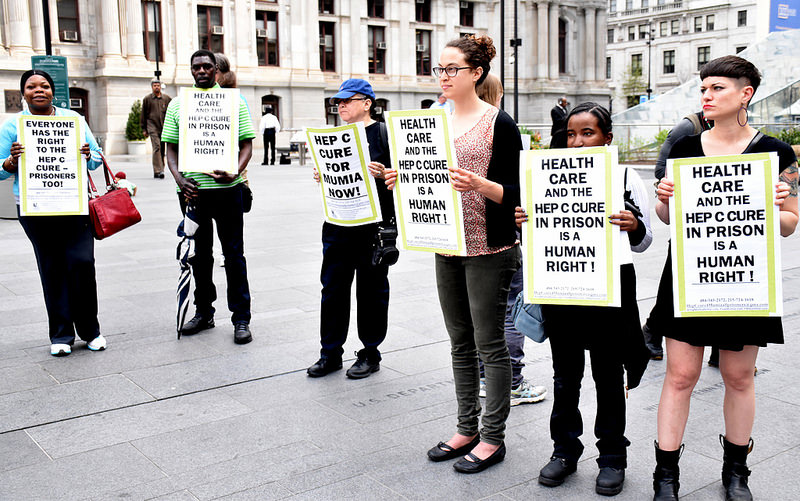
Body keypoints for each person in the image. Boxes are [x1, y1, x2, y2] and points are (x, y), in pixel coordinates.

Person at [651, 55, 797, 501]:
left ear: (745, 93)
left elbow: (791, 223)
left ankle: (737, 471)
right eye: (704, 89)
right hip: (690, 274)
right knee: (679, 375)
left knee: (738, 376)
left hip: (745, 278)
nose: (707, 96)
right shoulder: (685, 148)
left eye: (717, 88)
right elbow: (668, 218)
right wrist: (663, 199)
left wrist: (781, 202)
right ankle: (666, 476)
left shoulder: (774, 152)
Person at [386, 34, 521, 474]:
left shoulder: (500, 123)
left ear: (476, 73)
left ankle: (493, 436)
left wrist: (481, 185)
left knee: (490, 344)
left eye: (452, 69)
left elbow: (519, 193)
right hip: (445, 243)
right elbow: (424, 175)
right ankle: (466, 427)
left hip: (489, 247)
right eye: (439, 69)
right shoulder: (431, 118)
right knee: (460, 342)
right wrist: (398, 176)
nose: (443, 77)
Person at [517, 103, 652, 496]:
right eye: (572, 134)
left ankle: (612, 456)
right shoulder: (546, 177)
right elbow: (539, 239)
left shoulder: (625, 176)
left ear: (607, 138)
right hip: (563, 287)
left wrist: (635, 224)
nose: (578, 142)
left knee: (608, 376)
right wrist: (525, 223)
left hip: (610, 289)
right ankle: (564, 450)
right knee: (565, 375)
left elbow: (644, 243)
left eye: (588, 133)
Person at [0, 69, 106, 357]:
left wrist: (88, 154)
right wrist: (11, 160)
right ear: (23, 93)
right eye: (32, 86)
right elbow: (0, 169)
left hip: (74, 205)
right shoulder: (14, 126)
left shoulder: (74, 120)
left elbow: (97, 159)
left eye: (44, 86)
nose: (39, 90)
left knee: (82, 263)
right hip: (35, 208)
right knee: (52, 268)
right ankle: (61, 335)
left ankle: (90, 330)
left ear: (53, 91)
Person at [161, 49, 256, 345]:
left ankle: (241, 318)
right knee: (199, 256)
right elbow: (171, 150)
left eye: (206, 66)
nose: (201, 71)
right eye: (196, 67)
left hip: (228, 191)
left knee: (234, 255)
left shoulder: (234, 102)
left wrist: (235, 173)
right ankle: (204, 312)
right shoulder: (178, 105)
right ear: (191, 71)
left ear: (216, 69)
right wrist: (179, 179)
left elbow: (246, 145)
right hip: (193, 193)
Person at [306, 79, 395, 379]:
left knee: (371, 292)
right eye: (338, 102)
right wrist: (322, 174)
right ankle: (330, 353)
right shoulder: (334, 136)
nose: (341, 105)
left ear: (367, 103)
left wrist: (385, 173)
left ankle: (370, 352)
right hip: (337, 225)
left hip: (372, 228)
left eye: (348, 100)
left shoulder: (385, 135)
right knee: (332, 290)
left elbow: (405, 179)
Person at [476, 72, 548, 407]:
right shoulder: (503, 125)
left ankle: (482, 375)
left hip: (474, 234)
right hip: (503, 233)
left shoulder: (463, 130)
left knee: (483, 311)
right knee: (511, 307)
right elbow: (518, 185)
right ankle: (512, 380)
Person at [643, 111, 712, 360]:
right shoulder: (688, 128)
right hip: (691, 221)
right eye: (706, 89)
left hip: (722, 225)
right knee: (674, 284)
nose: (709, 96)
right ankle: (651, 329)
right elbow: (662, 168)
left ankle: (721, 346)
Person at [140, 79, 171, 179]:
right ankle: (158, 170)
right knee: (156, 147)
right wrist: (144, 129)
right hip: (152, 126)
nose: (156, 87)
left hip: (164, 127)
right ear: (152, 87)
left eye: (158, 85)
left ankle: (160, 168)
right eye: (155, 86)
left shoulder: (166, 99)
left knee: (162, 149)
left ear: (160, 86)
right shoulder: (147, 99)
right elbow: (143, 114)